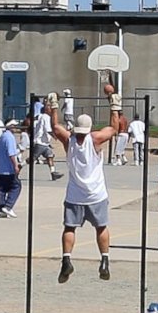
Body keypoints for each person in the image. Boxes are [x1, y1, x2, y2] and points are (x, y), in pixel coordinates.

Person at [50, 83, 126, 281]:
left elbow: (55, 127)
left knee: (69, 227)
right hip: (96, 193)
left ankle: (66, 259)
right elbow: (114, 128)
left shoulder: (70, 140)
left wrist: (54, 106)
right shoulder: (96, 139)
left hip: (76, 193)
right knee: (101, 227)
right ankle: (105, 259)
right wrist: (114, 105)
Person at [0, 112, 22, 215]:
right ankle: (8, 206)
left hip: (0, 169)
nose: (15, 127)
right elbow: (11, 153)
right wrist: (15, 165)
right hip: (8, 169)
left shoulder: (2, 137)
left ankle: (2, 209)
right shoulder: (9, 137)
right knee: (16, 186)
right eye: (14, 125)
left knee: (2, 189)